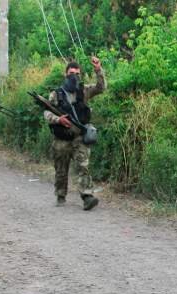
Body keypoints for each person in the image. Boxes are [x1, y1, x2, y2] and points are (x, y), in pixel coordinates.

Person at [43, 57, 105, 209]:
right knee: (61, 170)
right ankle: (60, 195)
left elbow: (101, 87)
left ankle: (87, 196)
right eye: (71, 73)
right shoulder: (56, 94)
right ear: (65, 74)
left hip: (79, 138)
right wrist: (58, 119)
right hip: (62, 138)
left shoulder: (83, 91)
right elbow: (46, 112)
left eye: (77, 74)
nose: (74, 76)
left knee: (83, 166)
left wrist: (98, 70)